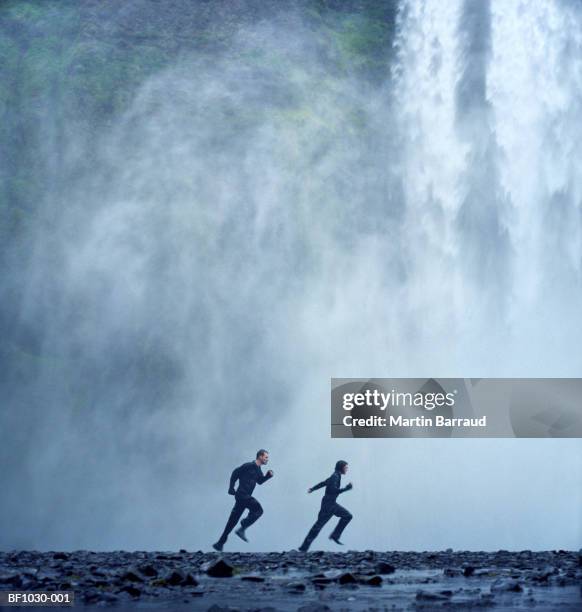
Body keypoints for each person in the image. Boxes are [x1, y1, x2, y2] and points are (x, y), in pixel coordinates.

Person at [212, 449, 273, 551]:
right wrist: (231, 488)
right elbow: (235, 473)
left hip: (244, 497)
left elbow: (260, 481)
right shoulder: (248, 465)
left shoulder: (258, 470)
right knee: (259, 510)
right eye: (266, 457)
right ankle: (243, 526)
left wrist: (267, 476)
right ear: (260, 457)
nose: (267, 460)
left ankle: (219, 543)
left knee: (232, 521)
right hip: (242, 495)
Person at [298, 460, 353, 552]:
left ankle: (334, 535)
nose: (347, 469)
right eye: (346, 467)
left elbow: (324, 483)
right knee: (318, 526)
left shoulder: (335, 475)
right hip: (328, 505)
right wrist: (346, 489)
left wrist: (313, 488)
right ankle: (304, 547)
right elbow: (333, 490)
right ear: (341, 467)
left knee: (347, 516)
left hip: (330, 503)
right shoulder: (335, 476)